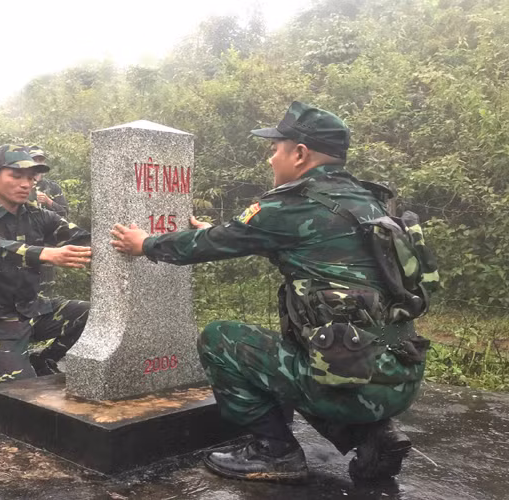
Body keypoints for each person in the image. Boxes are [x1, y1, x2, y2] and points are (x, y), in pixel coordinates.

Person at [110, 102, 437, 483]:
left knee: (221, 339)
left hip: (347, 385)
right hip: (399, 379)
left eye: (275, 148)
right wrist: (225, 230)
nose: (270, 159)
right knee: (309, 354)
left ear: (299, 154)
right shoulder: (370, 201)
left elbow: (203, 246)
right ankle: (374, 434)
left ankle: (275, 451)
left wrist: (146, 243)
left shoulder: (290, 204)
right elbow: (308, 249)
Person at [0, 144, 91, 387]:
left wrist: (137, 243)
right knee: (22, 392)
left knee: (94, 313)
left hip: (31, 311)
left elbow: (81, 238)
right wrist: (46, 253)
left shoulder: (39, 215)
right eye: (16, 176)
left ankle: (44, 359)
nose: (26, 184)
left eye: (30, 177)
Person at [26, 145, 69, 295]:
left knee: (47, 292)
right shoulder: (22, 185)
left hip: (48, 246)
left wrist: (49, 202)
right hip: (24, 245)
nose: (38, 163)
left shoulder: (53, 187)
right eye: (34, 160)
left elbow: (64, 213)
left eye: (40, 160)